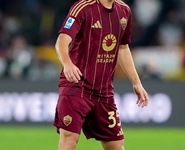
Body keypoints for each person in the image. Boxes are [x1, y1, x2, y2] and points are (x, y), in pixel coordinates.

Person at [53, 0, 149, 150]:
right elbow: (62, 40)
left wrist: (136, 82)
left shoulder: (124, 11)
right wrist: (67, 63)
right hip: (77, 86)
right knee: (69, 143)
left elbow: (122, 48)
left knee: (116, 146)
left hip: (104, 93)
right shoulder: (83, 7)